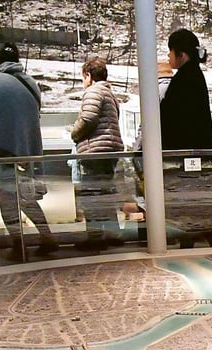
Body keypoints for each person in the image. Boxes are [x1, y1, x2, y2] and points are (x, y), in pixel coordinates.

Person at [0, 40, 58, 261]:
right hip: (27, 151)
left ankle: (19, 245)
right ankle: (47, 237)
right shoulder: (30, 82)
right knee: (26, 197)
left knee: (6, 200)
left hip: (1, 153)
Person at [160, 29, 212, 248]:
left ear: (182, 54)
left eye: (171, 52)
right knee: (199, 195)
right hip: (198, 152)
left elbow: (173, 119)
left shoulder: (184, 80)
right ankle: (204, 233)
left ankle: (190, 235)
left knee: (188, 195)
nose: (168, 57)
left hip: (186, 154)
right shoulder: (194, 76)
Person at [68, 56, 125, 251]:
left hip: (95, 150)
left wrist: (74, 133)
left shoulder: (93, 91)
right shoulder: (109, 93)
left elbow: (88, 118)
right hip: (109, 149)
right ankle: (112, 233)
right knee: (105, 192)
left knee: (92, 194)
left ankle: (94, 237)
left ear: (89, 75)